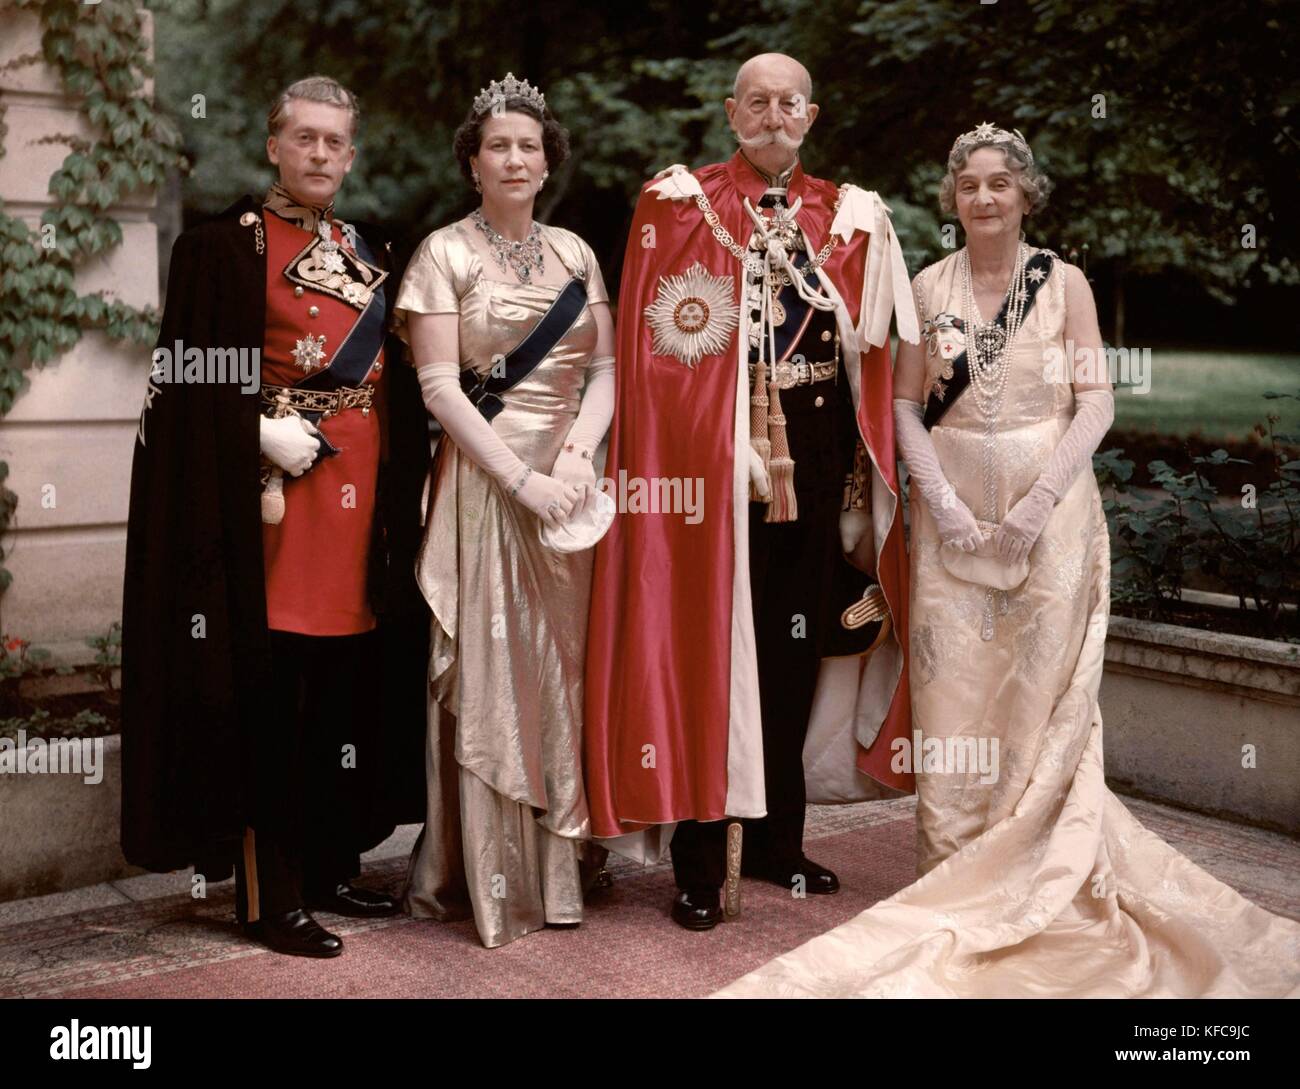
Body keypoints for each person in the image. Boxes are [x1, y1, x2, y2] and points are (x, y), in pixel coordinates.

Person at [716, 124, 1300, 996]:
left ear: (1027, 194)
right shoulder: (924, 285)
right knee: (953, 698)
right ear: (951, 199)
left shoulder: (1063, 285)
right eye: (969, 186)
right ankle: (956, 871)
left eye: (1000, 184)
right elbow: (905, 407)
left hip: (1051, 524)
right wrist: (944, 509)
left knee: (1035, 699)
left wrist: (1034, 508)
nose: (984, 198)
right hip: (950, 528)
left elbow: (1095, 402)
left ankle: (1039, 873)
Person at [584, 53, 920, 932]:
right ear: (732, 113)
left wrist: (859, 480)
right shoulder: (678, 206)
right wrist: (714, 441)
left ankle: (775, 838)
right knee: (709, 652)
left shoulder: (850, 217)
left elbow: (873, 359)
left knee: (791, 651)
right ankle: (701, 855)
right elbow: (655, 362)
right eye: (757, 102)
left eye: (789, 103)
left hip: (808, 461)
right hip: (709, 471)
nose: (773, 116)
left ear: (811, 114)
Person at [121, 75, 431, 959]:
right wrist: (257, 422)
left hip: (361, 507)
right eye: (305, 139)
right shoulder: (221, 248)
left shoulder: (370, 251)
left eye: (336, 141)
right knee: (273, 695)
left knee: (339, 689)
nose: (321, 155)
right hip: (272, 506)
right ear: (273, 145)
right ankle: (270, 893)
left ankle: (330, 865)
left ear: (352, 151)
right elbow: (184, 378)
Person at [394, 74, 617, 948]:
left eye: (529, 144)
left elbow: (604, 372)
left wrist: (577, 454)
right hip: (487, 488)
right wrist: (520, 479)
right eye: (498, 145)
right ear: (474, 162)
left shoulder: (576, 253)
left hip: (571, 495)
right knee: (493, 674)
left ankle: (566, 859)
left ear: (547, 158)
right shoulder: (441, 254)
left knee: (566, 672)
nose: (515, 158)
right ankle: (495, 877)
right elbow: (440, 388)